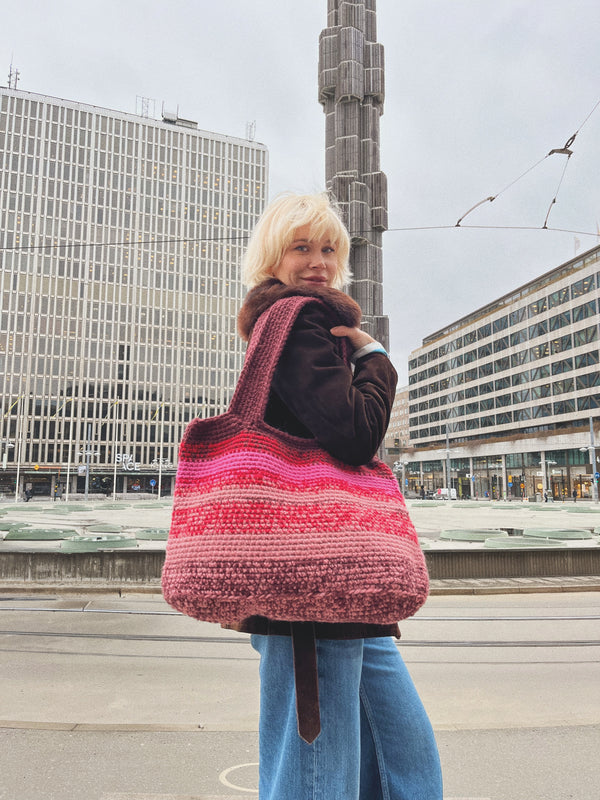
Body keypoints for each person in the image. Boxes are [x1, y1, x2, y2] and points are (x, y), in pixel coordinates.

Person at [234, 192, 443, 799]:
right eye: (301, 247)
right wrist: (376, 363)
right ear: (273, 256)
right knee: (316, 767)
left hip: (336, 574)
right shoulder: (299, 318)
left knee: (400, 744)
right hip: (316, 574)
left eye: (329, 249)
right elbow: (354, 436)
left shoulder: (309, 320)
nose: (318, 261)